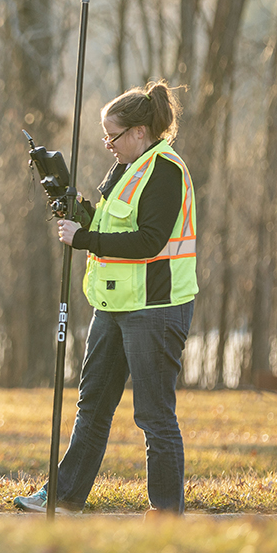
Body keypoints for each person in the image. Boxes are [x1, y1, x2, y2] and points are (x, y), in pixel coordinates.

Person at [16, 80, 199, 514]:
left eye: (113, 136)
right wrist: (74, 206)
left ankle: (167, 512)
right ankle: (64, 496)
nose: (107, 144)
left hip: (155, 308)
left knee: (154, 415)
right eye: (104, 135)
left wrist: (84, 238)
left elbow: (149, 241)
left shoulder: (165, 170)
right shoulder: (125, 169)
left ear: (139, 132)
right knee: (92, 405)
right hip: (114, 306)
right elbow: (109, 225)